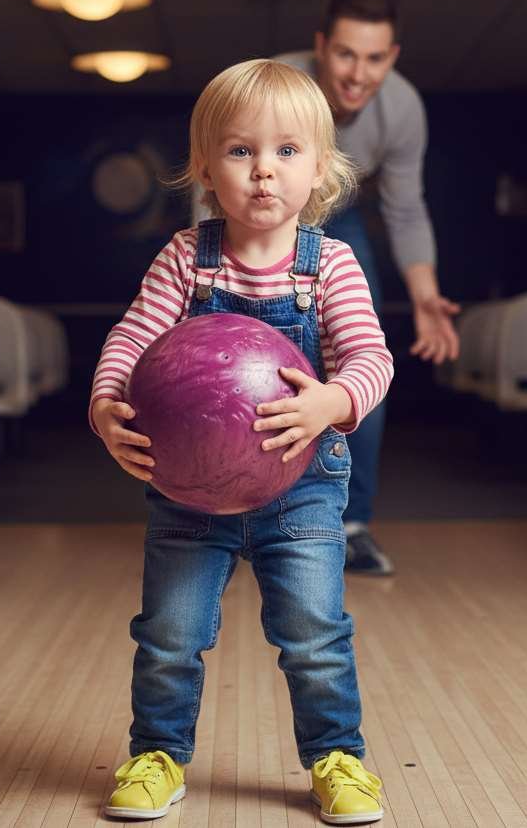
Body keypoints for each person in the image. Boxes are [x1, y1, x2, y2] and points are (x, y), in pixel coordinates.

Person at [91, 59, 393, 824]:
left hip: (303, 489)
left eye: (288, 152)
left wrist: (331, 400)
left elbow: (370, 359)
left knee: (314, 632)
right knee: (169, 632)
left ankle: (338, 758)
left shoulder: (331, 266)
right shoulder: (184, 260)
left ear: (321, 168)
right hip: (189, 491)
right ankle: (157, 754)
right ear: (204, 168)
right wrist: (105, 405)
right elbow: (131, 340)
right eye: (240, 151)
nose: (264, 172)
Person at [277, 0, 460, 576]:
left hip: (340, 211)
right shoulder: (278, 85)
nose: (359, 74)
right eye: (346, 55)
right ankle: (240, 511)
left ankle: (351, 524)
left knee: (361, 352)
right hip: (261, 206)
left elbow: (405, 208)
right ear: (321, 48)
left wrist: (425, 295)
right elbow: (217, 177)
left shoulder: (402, 109)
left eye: (375, 58)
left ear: (393, 56)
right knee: (256, 353)